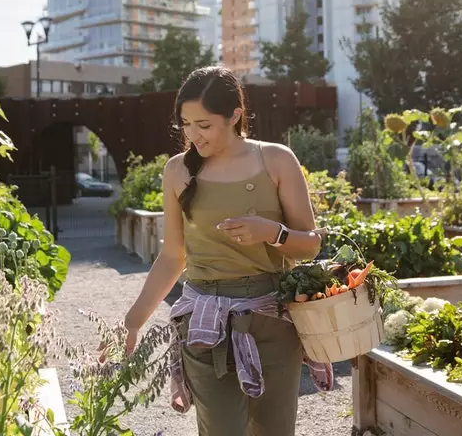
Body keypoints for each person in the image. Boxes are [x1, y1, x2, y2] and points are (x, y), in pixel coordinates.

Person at [118, 66, 333, 435]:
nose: (192, 135)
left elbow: (311, 244)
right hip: (205, 323)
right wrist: (134, 319)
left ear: (235, 116)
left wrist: (273, 233)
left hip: (273, 321)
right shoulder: (178, 171)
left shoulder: (277, 160)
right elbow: (173, 256)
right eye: (185, 124)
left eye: (204, 125)